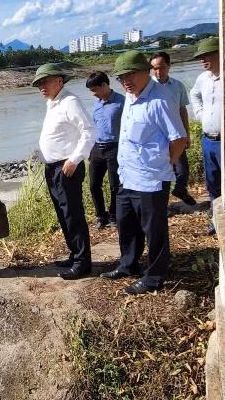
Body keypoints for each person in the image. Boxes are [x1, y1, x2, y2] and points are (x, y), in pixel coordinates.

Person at [100, 51, 187, 295]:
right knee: (125, 223)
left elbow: (179, 138)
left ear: (146, 71)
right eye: (121, 77)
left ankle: (154, 277)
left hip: (151, 179)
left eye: (130, 75)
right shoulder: (130, 96)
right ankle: (129, 264)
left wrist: (166, 163)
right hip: (127, 175)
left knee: (154, 230)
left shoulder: (160, 100)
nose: (126, 81)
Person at [32, 63, 97, 280]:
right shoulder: (52, 103)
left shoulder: (70, 102)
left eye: (46, 82)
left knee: (73, 215)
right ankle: (74, 254)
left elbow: (88, 131)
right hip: (53, 168)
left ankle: (82, 262)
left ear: (60, 81)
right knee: (63, 214)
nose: (42, 87)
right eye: (39, 84)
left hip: (66, 168)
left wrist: (75, 159)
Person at [150, 51, 197, 207]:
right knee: (160, 173)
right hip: (156, 137)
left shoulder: (177, 86)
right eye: (154, 68)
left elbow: (182, 110)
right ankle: (162, 205)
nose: (158, 72)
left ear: (169, 66)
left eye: (161, 67)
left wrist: (187, 134)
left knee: (182, 170)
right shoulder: (147, 87)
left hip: (175, 135)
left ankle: (180, 190)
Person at [189, 37, 222, 235]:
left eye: (206, 56)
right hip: (208, 139)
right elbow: (194, 94)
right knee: (212, 182)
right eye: (200, 57)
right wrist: (200, 114)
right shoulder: (203, 79)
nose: (202, 60)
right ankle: (214, 219)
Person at [85, 71, 125, 230]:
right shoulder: (97, 103)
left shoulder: (122, 102)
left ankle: (114, 214)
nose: (93, 94)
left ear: (104, 85)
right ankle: (101, 215)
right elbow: (94, 127)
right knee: (94, 184)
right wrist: (89, 149)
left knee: (115, 185)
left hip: (114, 148)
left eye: (95, 89)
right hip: (97, 148)